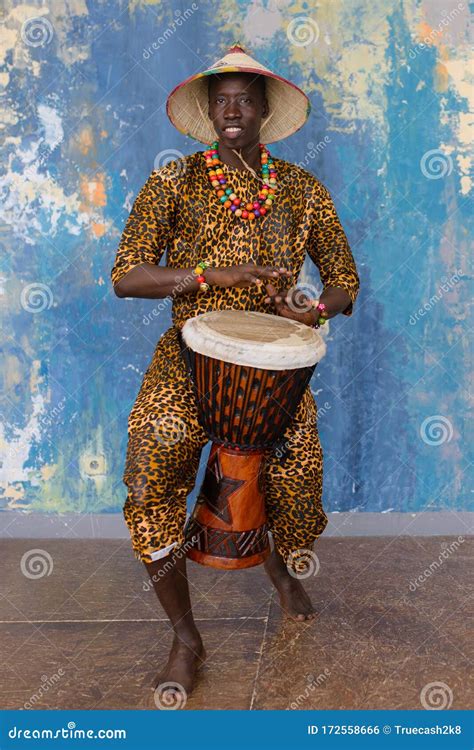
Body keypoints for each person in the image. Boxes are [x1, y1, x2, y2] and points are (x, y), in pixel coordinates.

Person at [110, 43, 360, 699]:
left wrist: (310, 309)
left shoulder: (303, 192)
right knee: (150, 469)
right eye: (220, 97)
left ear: (264, 109)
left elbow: (344, 283)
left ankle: (278, 564)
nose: (231, 108)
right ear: (208, 108)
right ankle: (186, 639)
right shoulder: (174, 182)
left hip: (275, 362)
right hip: (190, 356)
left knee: (298, 484)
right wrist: (206, 276)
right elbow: (128, 277)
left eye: (244, 97)